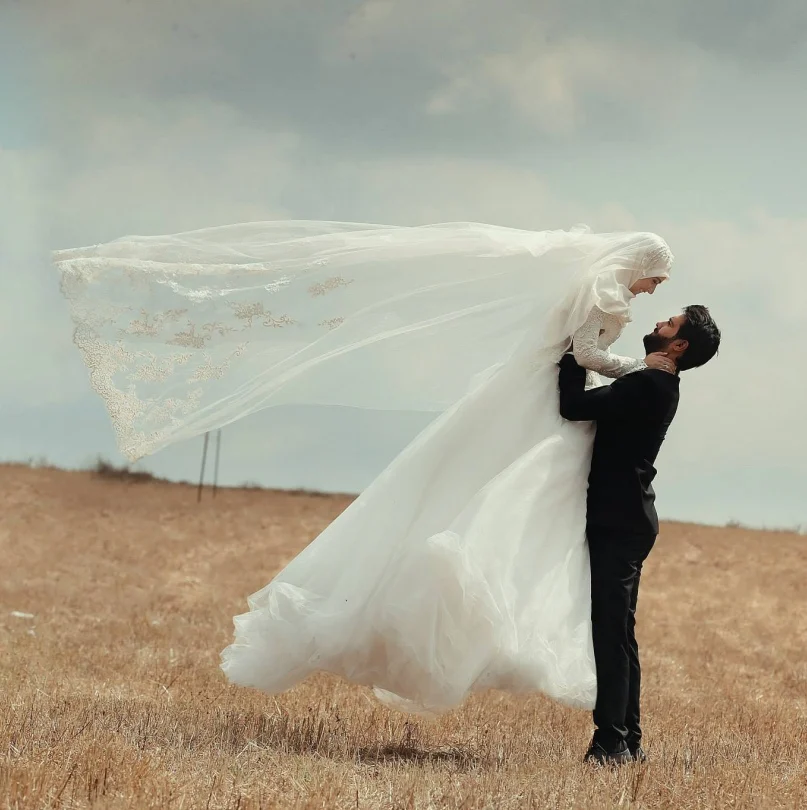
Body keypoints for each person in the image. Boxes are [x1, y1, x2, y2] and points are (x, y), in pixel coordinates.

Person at [53, 220, 674, 713]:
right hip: (548, 400)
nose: (654, 293)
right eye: (657, 281)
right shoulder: (607, 292)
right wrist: (637, 372)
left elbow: (579, 353)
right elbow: (586, 351)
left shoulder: (600, 289)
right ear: (638, 265)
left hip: (541, 392)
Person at [558, 305, 721, 765]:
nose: (656, 324)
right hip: (628, 518)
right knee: (618, 633)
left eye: (668, 325)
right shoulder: (656, 383)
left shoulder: (649, 385)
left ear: (679, 345)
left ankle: (612, 741)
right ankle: (626, 740)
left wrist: (569, 353)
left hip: (620, 520)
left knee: (611, 633)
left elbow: (573, 407)